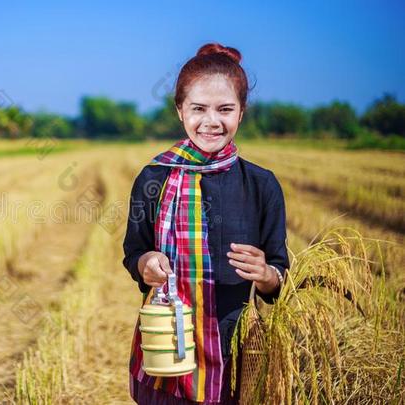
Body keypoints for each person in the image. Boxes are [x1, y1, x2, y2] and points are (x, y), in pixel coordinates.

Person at [122, 43, 289, 404]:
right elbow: (133, 252)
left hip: (236, 356)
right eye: (198, 108)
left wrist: (265, 274)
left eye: (225, 109)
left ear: (242, 113)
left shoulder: (262, 185)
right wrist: (145, 263)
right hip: (166, 351)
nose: (211, 121)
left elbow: (279, 276)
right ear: (180, 110)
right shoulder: (154, 177)